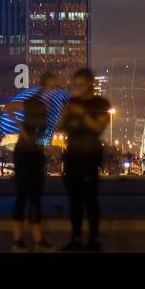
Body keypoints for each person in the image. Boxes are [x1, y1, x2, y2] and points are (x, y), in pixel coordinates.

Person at [57, 68, 110, 251]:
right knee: (74, 200)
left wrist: (82, 113)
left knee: (89, 199)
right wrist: (65, 114)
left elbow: (98, 127)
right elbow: (59, 128)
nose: (77, 89)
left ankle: (94, 239)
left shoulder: (100, 103)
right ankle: (76, 238)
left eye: (81, 85)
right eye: (76, 85)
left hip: (90, 156)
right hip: (72, 156)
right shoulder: (71, 102)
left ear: (90, 84)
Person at [5, 76, 55, 251]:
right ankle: (18, 239)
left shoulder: (47, 106)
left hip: (35, 150)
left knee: (35, 195)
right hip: (25, 151)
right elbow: (8, 107)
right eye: (52, 85)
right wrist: (21, 128)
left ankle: (37, 238)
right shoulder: (33, 102)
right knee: (23, 193)